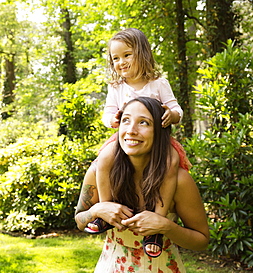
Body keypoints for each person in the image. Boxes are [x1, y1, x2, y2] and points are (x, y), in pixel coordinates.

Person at [84, 28, 191, 258]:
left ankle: (157, 226)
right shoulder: (116, 87)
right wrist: (112, 120)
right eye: (115, 58)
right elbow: (108, 113)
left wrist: (172, 115)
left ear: (142, 53)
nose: (121, 62)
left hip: (158, 141)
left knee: (171, 162)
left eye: (127, 55)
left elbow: (176, 109)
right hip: (124, 140)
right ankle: (106, 210)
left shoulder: (158, 83)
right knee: (104, 158)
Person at [75, 97, 209, 272]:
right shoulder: (99, 171)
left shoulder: (179, 181)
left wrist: (166, 227)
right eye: (126, 120)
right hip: (111, 266)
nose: (131, 130)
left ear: (160, 131)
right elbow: (79, 220)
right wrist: (97, 210)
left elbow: (202, 241)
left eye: (144, 123)